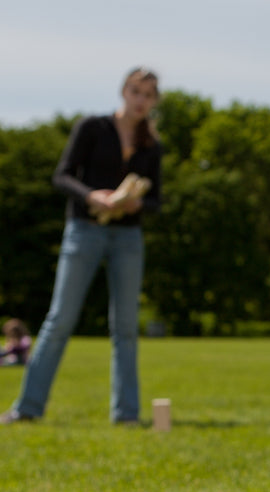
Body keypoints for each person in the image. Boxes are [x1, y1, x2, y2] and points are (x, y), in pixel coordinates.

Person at [1, 67, 162, 425]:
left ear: (154, 101)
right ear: (124, 91)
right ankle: (28, 408)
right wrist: (93, 195)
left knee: (125, 327)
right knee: (59, 320)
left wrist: (137, 204)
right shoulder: (91, 128)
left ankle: (126, 414)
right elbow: (61, 176)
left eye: (149, 94)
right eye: (136, 91)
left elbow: (157, 201)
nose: (141, 100)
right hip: (83, 230)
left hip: (128, 238)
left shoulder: (151, 145)